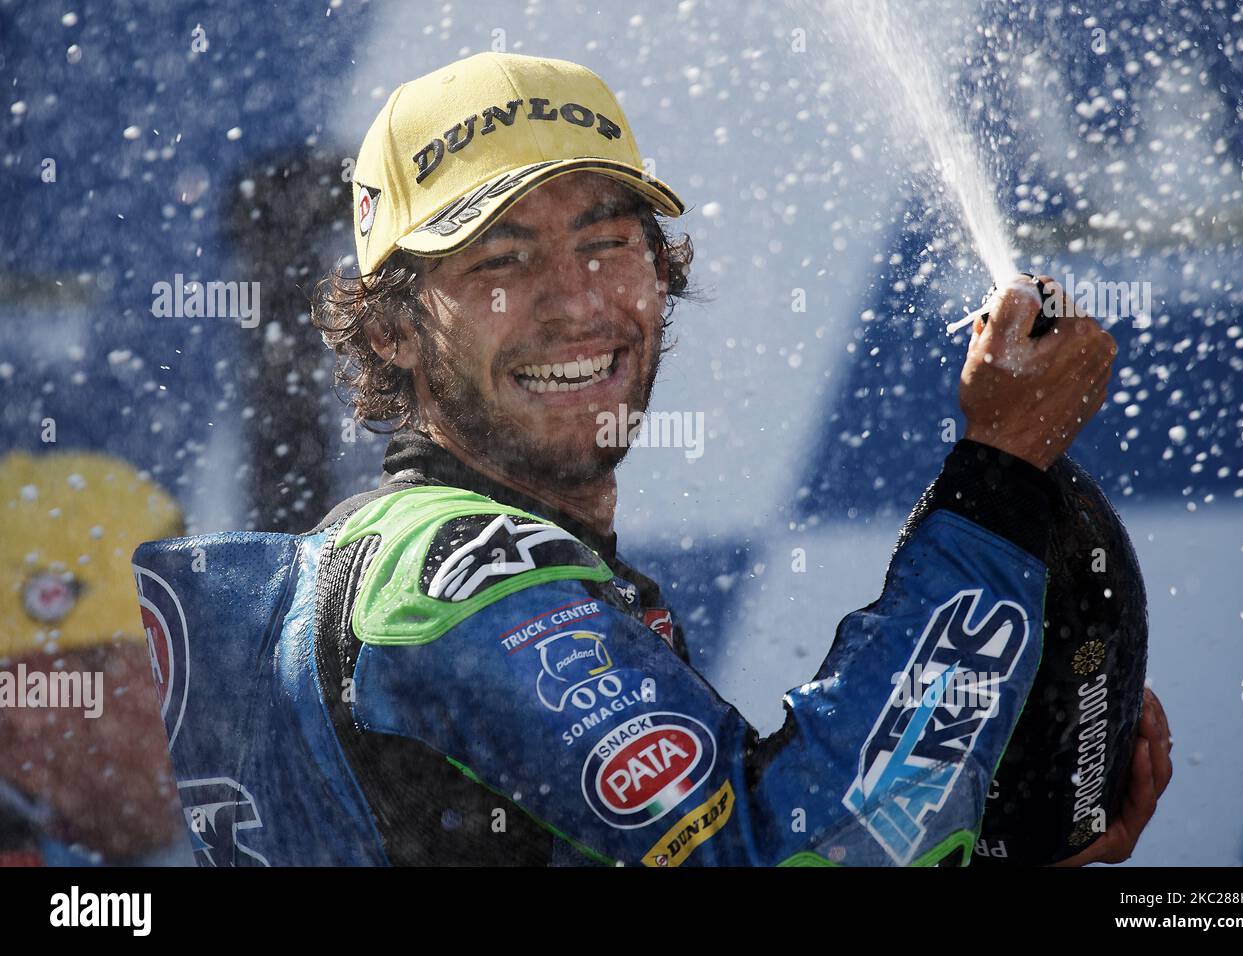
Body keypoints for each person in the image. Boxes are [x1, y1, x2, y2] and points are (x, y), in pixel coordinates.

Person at [134, 51, 1171, 866]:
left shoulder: (407, 558)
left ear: (662, 271)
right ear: (393, 328)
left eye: (607, 241)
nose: (577, 300)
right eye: (500, 261)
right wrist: (995, 476)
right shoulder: (444, 583)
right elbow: (789, 857)